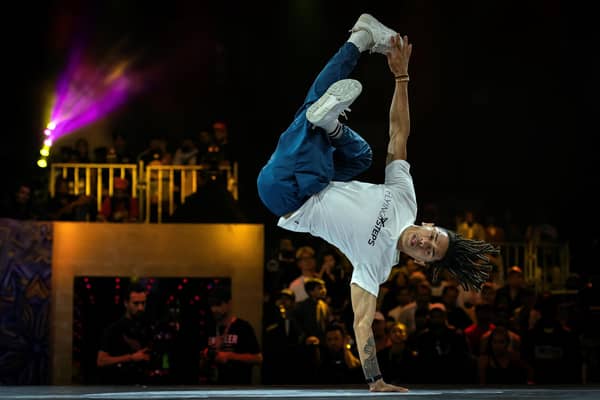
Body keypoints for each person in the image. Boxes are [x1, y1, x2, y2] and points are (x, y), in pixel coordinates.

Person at [256, 13, 499, 392]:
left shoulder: (378, 264)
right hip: (315, 171)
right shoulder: (405, 199)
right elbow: (399, 133)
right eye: (432, 238)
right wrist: (401, 78)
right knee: (363, 156)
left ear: (421, 263)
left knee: (311, 113)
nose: (424, 244)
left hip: (287, 193)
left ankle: (345, 77)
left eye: (429, 253)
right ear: (429, 226)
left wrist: (375, 378)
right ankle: (344, 85)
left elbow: (362, 320)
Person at [96, 283, 152, 384]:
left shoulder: (147, 328)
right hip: (119, 387)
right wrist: (130, 358)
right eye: (136, 303)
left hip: (142, 387)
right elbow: (101, 361)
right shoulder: (113, 329)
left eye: (143, 303)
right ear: (126, 303)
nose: (140, 308)